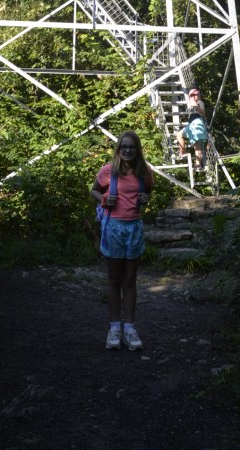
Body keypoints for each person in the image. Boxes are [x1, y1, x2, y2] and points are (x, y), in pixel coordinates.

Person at [91, 130, 153, 351]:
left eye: (131, 147)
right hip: (114, 228)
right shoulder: (108, 171)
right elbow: (95, 191)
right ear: (118, 149)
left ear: (137, 150)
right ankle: (114, 327)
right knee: (114, 280)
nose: (127, 150)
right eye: (123, 146)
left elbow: (148, 192)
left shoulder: (144, 172)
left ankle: (129, 328)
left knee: (130, 280)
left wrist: (146, 198)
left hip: (133, 228)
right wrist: (104, 200)